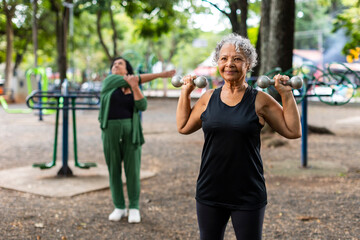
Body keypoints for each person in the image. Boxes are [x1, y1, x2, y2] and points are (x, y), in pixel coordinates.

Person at [176, 33, 301, 239]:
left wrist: (286, 94)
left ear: (248, 63)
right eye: (224, 58)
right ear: (218, 62)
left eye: (237, 58)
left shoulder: (260, 99)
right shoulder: (208, 98)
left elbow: (293, 131)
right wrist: (185, 93)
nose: (229, 64)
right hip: (210, 189)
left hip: (247, 191)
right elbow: (183, 126)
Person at [99, 56, 175, 223]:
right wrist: (161, 75)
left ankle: (134, 207)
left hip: (132, 131)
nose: (115, 66)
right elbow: (138, 79)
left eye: (120, 64)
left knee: (133, 171)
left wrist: (135, 87)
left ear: (128, 70)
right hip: (110, 131)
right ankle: (119, 206)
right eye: (114, 64)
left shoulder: (133, 86)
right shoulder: (109, 82)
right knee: (114, 170)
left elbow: (142, 106)